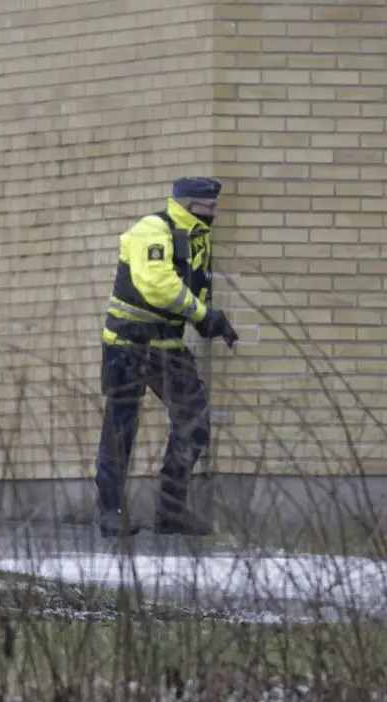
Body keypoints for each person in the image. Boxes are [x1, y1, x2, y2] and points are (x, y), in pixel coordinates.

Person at [94, 177, 239, 538]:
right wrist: (203, 316)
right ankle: (111, 513)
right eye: (207, 208)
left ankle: (171, 511)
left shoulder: (197, 240)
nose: (213, 214)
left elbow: (191, 288)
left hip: (168, 347)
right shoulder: (153, 229)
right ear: (189, 205)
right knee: (121, 427)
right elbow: (157, 285)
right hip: (128, 345)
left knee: (195, 419)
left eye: (215, 208)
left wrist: (208, 318)